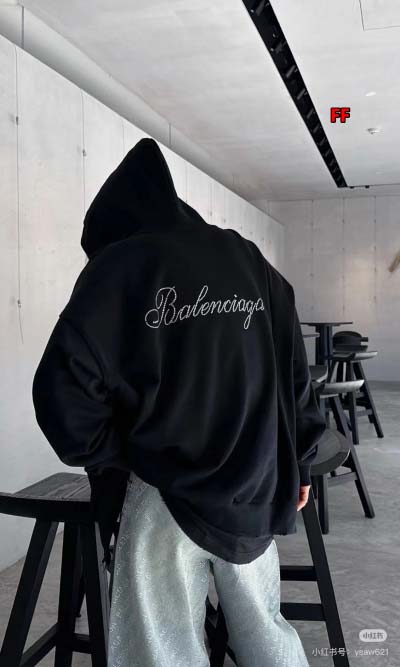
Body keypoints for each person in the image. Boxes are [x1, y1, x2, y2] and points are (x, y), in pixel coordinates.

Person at [32, 137, 327, 666]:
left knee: (161, 648)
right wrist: (299, 460)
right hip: (256, 482)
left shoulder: (119, 266)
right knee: (264, 631)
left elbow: (62, 397)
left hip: (159, 494)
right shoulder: (246, 257)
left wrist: (118, 455)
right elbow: (292, 372)